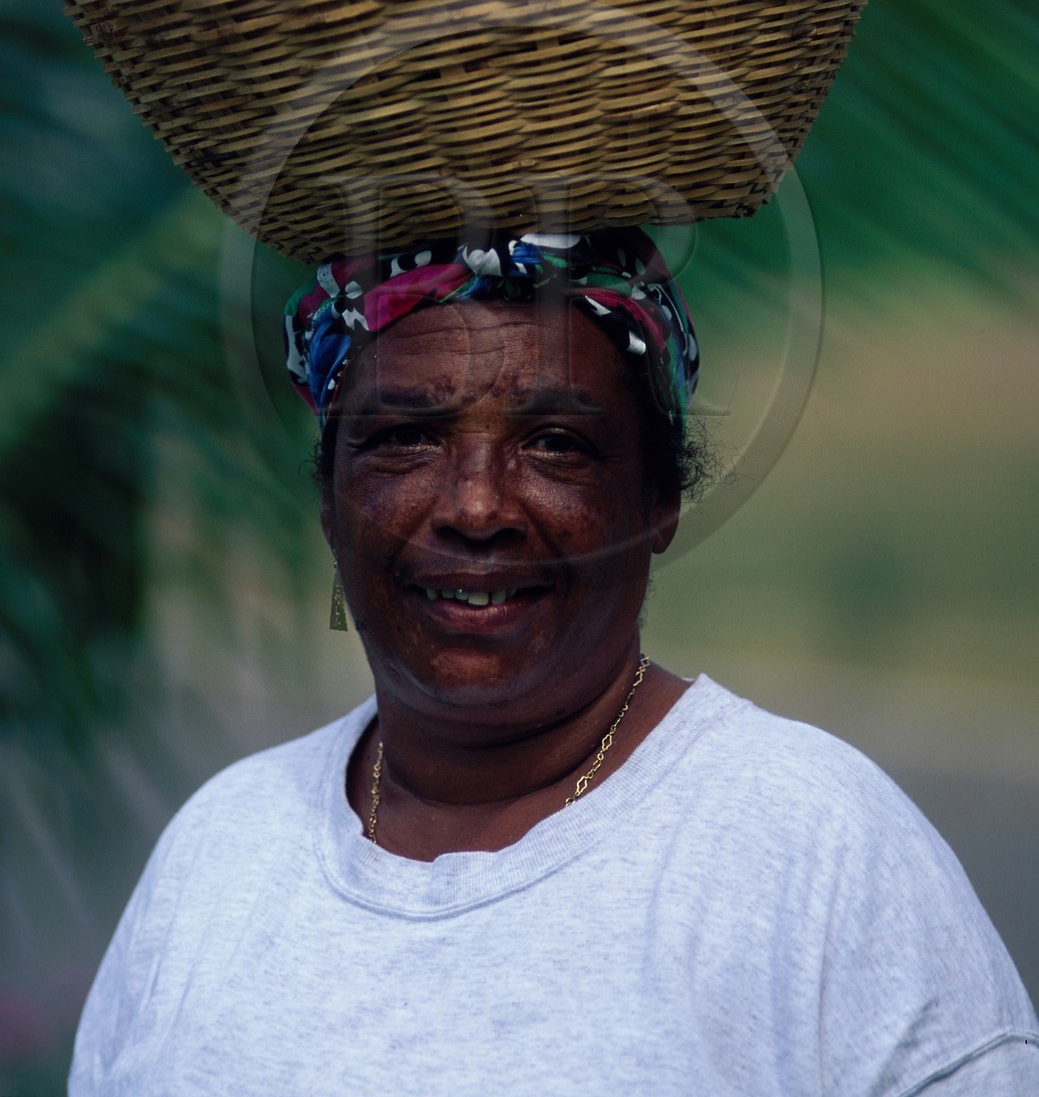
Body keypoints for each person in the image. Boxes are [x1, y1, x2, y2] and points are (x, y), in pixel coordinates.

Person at [69, 228, 1038, 1094]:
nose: (476, 506)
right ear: (330, 502)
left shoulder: (811, 843)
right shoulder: (225, 846)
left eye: (555, 443)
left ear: (658, 501)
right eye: (405, 439)